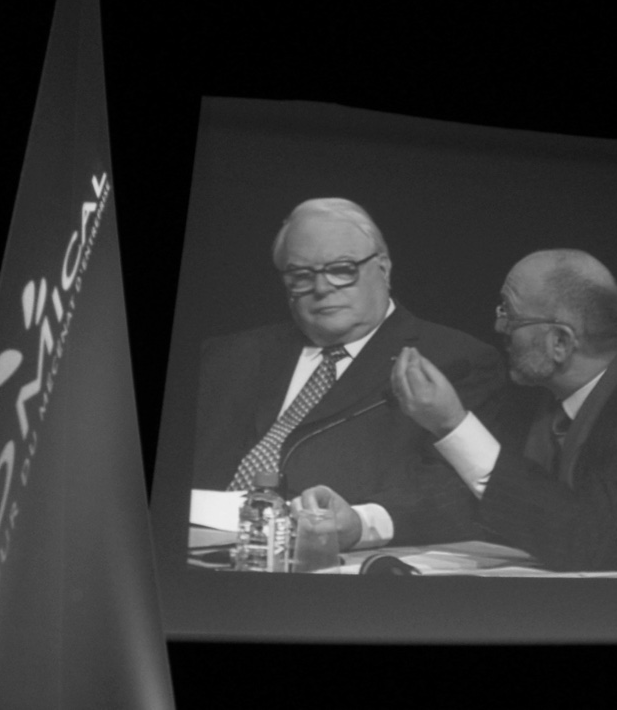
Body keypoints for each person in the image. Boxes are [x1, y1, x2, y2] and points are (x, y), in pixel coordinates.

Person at [305, 249, 617, 573]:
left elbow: (583, 542)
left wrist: (452, 424)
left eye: (509, 313)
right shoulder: (536, 391)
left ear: (560, 343)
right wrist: (360, 524)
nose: (497, 328)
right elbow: (477, 492)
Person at [192, 198, 506, 549]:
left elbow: (453, 489)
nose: (322, 288)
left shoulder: (454, 360)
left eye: (342, 269)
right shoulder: (228, 356)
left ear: (384, 269)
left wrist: (360, 525)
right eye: (301, 276)